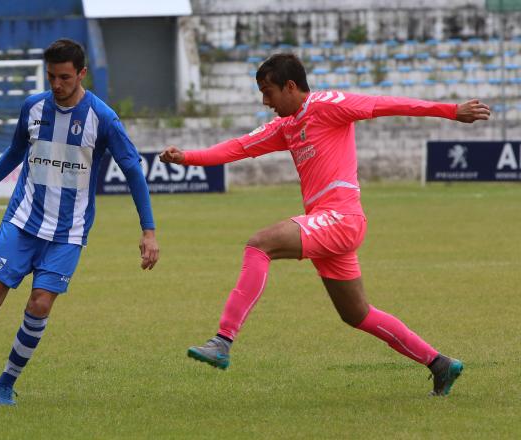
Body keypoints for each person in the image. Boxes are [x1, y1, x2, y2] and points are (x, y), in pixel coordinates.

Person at [159, 53, 490, 397]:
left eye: (268, 92)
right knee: (356, 313)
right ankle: (440, 364)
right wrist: (187, 157)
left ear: (290, 86)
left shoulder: (329, 104)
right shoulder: (286, 126)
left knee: (260, 244)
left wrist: (451, 111)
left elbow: (386, 104)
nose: (265, 101)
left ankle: (222, 341)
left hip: (340, 219)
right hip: (329, 225)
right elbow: (239, 147)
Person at [0, 39, 159, 406]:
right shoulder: (33, 107)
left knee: (40, 304)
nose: (57, 84)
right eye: (51, 76)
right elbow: (14, 152)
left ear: (81, 74)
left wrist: (148, 231)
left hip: (68, 232)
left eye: (65, 77)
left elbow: (132, 170)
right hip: (22, 220)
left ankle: (6, 382)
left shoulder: (102, 118)